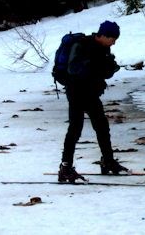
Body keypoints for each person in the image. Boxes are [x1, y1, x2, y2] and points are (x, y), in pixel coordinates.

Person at [58, 20, 128, 183]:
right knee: (75, 128)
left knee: (102, 126)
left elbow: (102, 72)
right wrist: (97, 67)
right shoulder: (81, 45)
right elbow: (74, 70)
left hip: (91, 93)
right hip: (76, 91)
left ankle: (108, 161)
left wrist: (109, 68)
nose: (114, 42)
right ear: (103, 35)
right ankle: (65, 167)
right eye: (112, 38)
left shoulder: (104, 48)